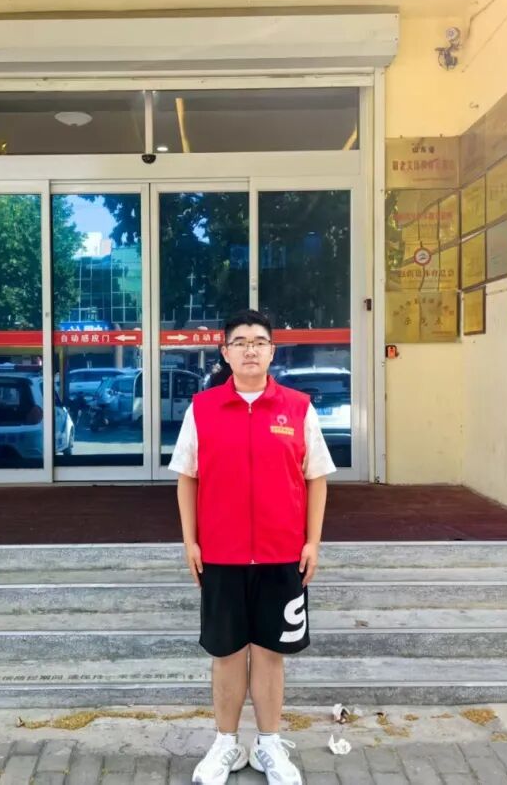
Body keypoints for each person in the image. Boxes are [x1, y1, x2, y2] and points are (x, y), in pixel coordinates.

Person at [169, 309, 336, 785]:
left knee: (269, 653)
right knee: (225, 652)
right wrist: (191, 541)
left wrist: (312, 542)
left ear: (271, 352)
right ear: (225, 352)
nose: (249, 349)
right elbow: (186, 478)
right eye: (239, 342)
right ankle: (226, 743)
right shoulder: (202, 408)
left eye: (258, 342)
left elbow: (317, 479)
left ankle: (268, 744)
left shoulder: (298, 408)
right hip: (220, 555)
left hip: (282, 554)